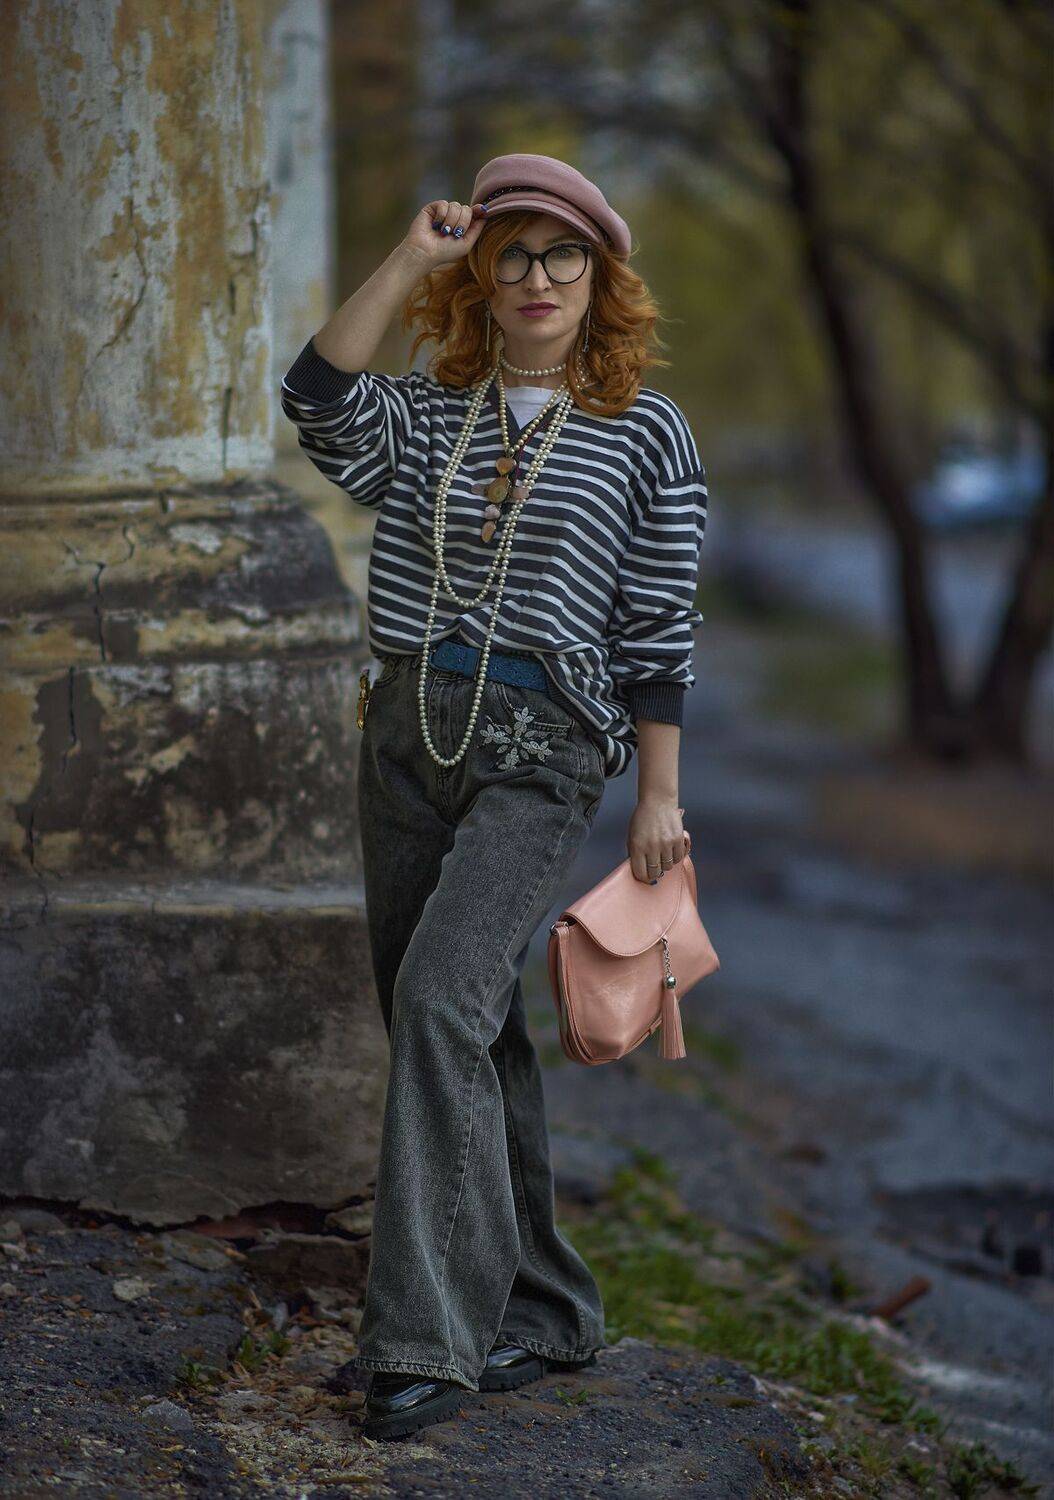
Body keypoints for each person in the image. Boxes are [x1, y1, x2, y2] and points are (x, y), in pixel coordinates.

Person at [279, 152, 708, 1441]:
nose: (537, 278)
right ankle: (547, 1305)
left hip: (542, 752)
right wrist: (411, 253)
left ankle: (422, 1340)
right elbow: (315, 398)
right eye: (511, 253)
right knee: (462, 1020)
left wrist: (658, 796)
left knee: (437, 1002)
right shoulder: (431, 411)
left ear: (600, 278)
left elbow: (659, 626)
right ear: (480, 272)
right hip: (407, 734)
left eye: (563, 256)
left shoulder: (647, 430)